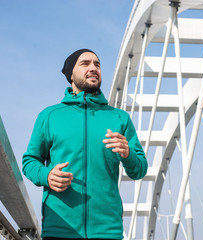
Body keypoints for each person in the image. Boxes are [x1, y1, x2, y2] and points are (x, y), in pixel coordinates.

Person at [22, 49, 148, 240]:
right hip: (60, 229)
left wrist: (128, 153)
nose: (93, 68)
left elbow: (139, 170)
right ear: (71, 75)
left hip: (108, 231)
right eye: (85, 63)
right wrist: (47, 175)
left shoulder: (119, 118)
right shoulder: (49, 116)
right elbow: (30, 162)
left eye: (97, 64)